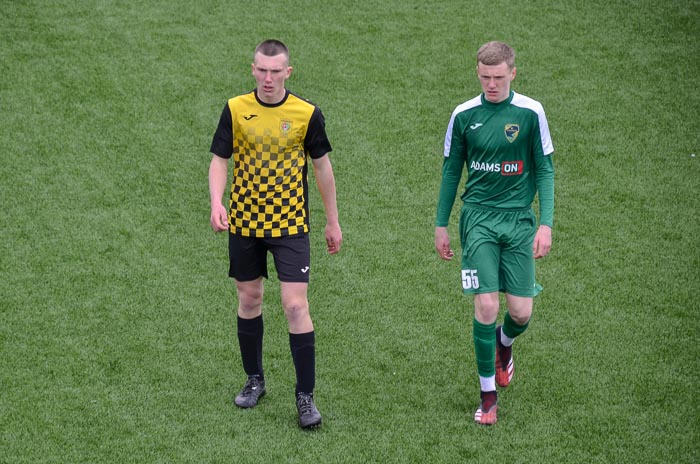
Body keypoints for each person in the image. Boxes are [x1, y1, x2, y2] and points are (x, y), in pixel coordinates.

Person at [208, 39, 342, 429]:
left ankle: (305, 397)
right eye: (261, 70)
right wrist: (218, 201)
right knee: (249, 298)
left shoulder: (306, 113)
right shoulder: (235, 109)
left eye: (275, 71)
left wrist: (332, 221)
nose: (268, 78)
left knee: (295, 306)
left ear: (288, 71)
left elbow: (322, 170)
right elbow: (219, 160)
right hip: (245, 222)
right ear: (253, 70)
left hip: (290, 225)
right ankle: (255, 380)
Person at [434, 41, 554, 425]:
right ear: (478, 73)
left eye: (498, 77)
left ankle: (505, 343)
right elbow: (452, 171)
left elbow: (546, 169)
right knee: (486, 306)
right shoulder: (464, 114)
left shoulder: (531, 112)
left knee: (520, 312)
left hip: (519, 221)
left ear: (512, 74)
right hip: (479, 220)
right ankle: (488, 398)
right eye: (485, 77)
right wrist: (441, 224)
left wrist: (546, 222)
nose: (491, 84)